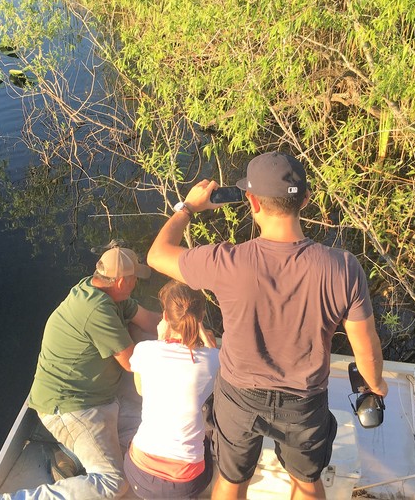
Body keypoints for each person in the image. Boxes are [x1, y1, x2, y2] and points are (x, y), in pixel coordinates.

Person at [147, 151, 388, 500]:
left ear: (251, 202)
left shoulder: (226, 261)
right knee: (306, 482)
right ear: (305, 200)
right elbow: (366, 349)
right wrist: (376, 385)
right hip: (304, 401)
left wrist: (187, 208)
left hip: (238, 396)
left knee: (231, 479)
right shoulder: (344, 268)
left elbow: (156, 254)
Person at [0, 246, 162, 500]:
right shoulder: (96, 310)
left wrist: (186, 327)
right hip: (71, 406)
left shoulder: (105, 291)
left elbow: (150, 320)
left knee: (152, 431)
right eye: (134, 279)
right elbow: (133, 362)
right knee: (115, 483)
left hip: (99, 398)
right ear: (121, 281)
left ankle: (71, 454)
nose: (136, 284)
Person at [123, 280, 220, 499]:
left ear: (165, 317)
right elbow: (219, 368)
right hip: (186, 484)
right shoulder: (213, 360)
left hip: (139, 475)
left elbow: (141, 390)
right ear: (201, 318)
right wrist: (207, 341)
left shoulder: (144, 351)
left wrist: (159, 340)